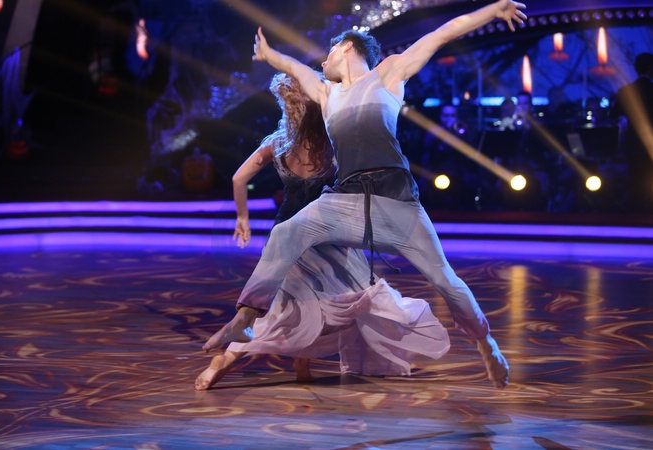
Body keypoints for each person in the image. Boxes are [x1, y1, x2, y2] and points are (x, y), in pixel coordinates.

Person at [203, 0, 527, 390]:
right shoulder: (327, 95)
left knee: (446, 280)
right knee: (287, 231)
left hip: (398, 203)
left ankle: (486, 343)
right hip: (347, 201)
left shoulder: (388, 74)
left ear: (345, 47)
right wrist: (271, 56)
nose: (322, 62)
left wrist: (493, 10)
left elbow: (443, 33)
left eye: (328, 53)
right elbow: (295, 68)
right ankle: (245, 319)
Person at [195, 73, 450, 390]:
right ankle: (232, 359)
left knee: (292, 301)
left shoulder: (278, 143)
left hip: (286, 232)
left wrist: (242, 218)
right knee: (332, 299)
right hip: (327, 231)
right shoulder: (335, 144)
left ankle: (293, 363)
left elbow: (238, 178)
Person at [612, 52, 653, 213]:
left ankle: (636, 211)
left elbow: (614, 114)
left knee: (635, 177)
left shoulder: (625, 91)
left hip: (633, 142)